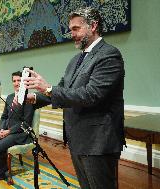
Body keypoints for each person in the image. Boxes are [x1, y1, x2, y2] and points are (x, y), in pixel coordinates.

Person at [24, 7, 125, 189]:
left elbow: (91, 95)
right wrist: (34, 98)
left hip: (98, 142)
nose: (71, 33)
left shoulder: (109, 54)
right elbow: (62, 89)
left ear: (93, 26)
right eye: (70, 29)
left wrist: (48, 88)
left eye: (76, 28)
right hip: (77, 138)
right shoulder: (75, 60)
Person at [0, 71, 41, 183]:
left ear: (23, 82)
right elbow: (4, 116)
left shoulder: (28, 98)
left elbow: (26, 123)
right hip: (6, 130)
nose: (16, 83)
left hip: (20, 133)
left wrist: (9, 131)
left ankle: (1, 170)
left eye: (19, 81)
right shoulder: (9, 97)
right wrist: (2, 129)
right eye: (14, 81)